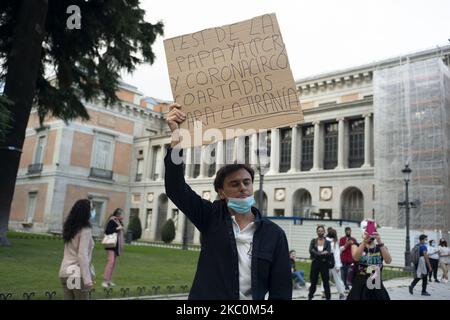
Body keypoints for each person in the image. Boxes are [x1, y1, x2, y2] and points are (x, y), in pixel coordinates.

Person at [164, 103, 292, 300]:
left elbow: (281, 290)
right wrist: (176, 141)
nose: (242, 187)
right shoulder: (210, 218)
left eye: (246, 182)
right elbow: (176, 189)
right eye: (234, 184)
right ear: (222, 193)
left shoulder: (274, 235)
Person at [58, 199, 95, 300]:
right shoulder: (85, 230)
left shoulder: (70, 227)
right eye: (91, 209)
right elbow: (82, 255)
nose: (92, 212)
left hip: (65, 272)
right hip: (76, 275)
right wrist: (88, 280)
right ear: (85, 212)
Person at [347, 219, 392, 300]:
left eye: (372, 229)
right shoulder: (356, 245)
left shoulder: (381, 247)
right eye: (366, 229)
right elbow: (356, 257)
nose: (369, 232)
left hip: (376, 285)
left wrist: (380, 242)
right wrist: (364, 241)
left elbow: (388, 261)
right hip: (360, 284)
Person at [102, 208, 125, 288]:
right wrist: (117, 228)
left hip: (116, 245)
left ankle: (109, 280)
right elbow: (108, 231)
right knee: (110, 262)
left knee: (114, 263)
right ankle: (105, 281)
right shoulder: (112, 220)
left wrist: (120, 227)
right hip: (111, 245)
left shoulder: (119, 222)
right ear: (118, 214)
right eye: (122, 214)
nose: (123, 216)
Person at [308, 225, 332, 300]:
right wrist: (320, 253)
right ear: (317, 232)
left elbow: (328, 251)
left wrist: (320, 253)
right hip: (315, 263)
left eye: (322, 231)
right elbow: (311, 250)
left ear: (324, 232)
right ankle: (310, 296)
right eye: (319, 231)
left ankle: (328, 297)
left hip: (324, 263)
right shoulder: (313, 241)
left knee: (326, 281)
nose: (320, 232)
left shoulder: (327, 242)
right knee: (313, 281)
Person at [328, 229, 346, 299]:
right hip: (334, 263)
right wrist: (338, 266)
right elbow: (336, 255)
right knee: (338, 279)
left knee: (325, 278)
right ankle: (341, 292)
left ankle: (323, 292)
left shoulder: (325, 241)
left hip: (326, 262)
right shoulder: (335, 242)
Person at [339, 227, 358, 292]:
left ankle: (350, 287)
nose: (348, 232)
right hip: (343, 260)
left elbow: (357, 248)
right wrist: (346, 244)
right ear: (345, 231)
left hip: (351, 261)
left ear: (351, 231)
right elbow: (340, 249)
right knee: (343, 275)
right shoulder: (342, 239)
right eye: (347, 231)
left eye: (349, 231)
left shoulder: (354, 239)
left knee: (350, 274)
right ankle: (345, 288)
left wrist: (352, 243)